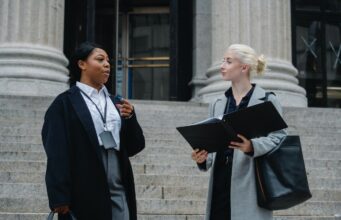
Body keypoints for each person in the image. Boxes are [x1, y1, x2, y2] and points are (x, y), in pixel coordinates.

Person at [42, 42, 145, 220]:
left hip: (119, 184)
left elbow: (135, 147)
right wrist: (59, 195)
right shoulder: (64, 103)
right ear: (82, 64)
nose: (107, 64)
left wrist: (130, 118)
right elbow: (57, 152)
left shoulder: (116, 103)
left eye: (108, 61)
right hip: (84, 184)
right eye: (100, 59)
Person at [191, 44, 287, 220]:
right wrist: (203, 159)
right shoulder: (217, 103)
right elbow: (213, 144)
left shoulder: (267, 100)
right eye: (222, 61)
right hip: (220, 183)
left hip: (251, 183)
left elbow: (279, 137)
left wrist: (252, 146)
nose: (222, 66)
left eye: (228, 61)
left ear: (244, 67)